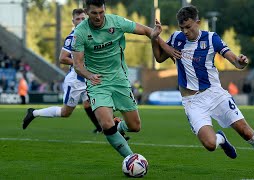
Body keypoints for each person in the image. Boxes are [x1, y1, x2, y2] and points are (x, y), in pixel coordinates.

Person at [150, 5, 254, 177]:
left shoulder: (211, 38)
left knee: (246, 131)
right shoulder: (176, 38)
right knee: (210, 144)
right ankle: (221, 139)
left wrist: (241, 61)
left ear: (198, 22)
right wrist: (154, 39)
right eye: (182, 28)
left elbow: (235, 61)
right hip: (192, 102)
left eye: (188, 27)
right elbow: (160, 58)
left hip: (215, 94)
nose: (185, 31)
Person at [71, 0, 178, 158]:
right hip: (97, 83)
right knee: (106, 123)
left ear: (105, 9)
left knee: (135, 126)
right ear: (87, 12)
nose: (99, 17)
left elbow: (148, 31)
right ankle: (130, 158)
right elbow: (77, 65)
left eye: (101, 12)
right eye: (94, 13)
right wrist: (89, 75)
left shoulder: (117, 22)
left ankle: (118, 127)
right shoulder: (80, 32)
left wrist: (165, 46)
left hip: (119, 80)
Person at [22, 8, 104, 134]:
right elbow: (62, 58)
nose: (81, 21)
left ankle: (106, 129)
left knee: (95, 104)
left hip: (88, 79)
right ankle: (33, 113)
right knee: (65, 112)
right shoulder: (72, 38)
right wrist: (80, 63)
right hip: (76, 81)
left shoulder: (91, 34)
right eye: (78, 19)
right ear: (73, 21)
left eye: (83, 18)